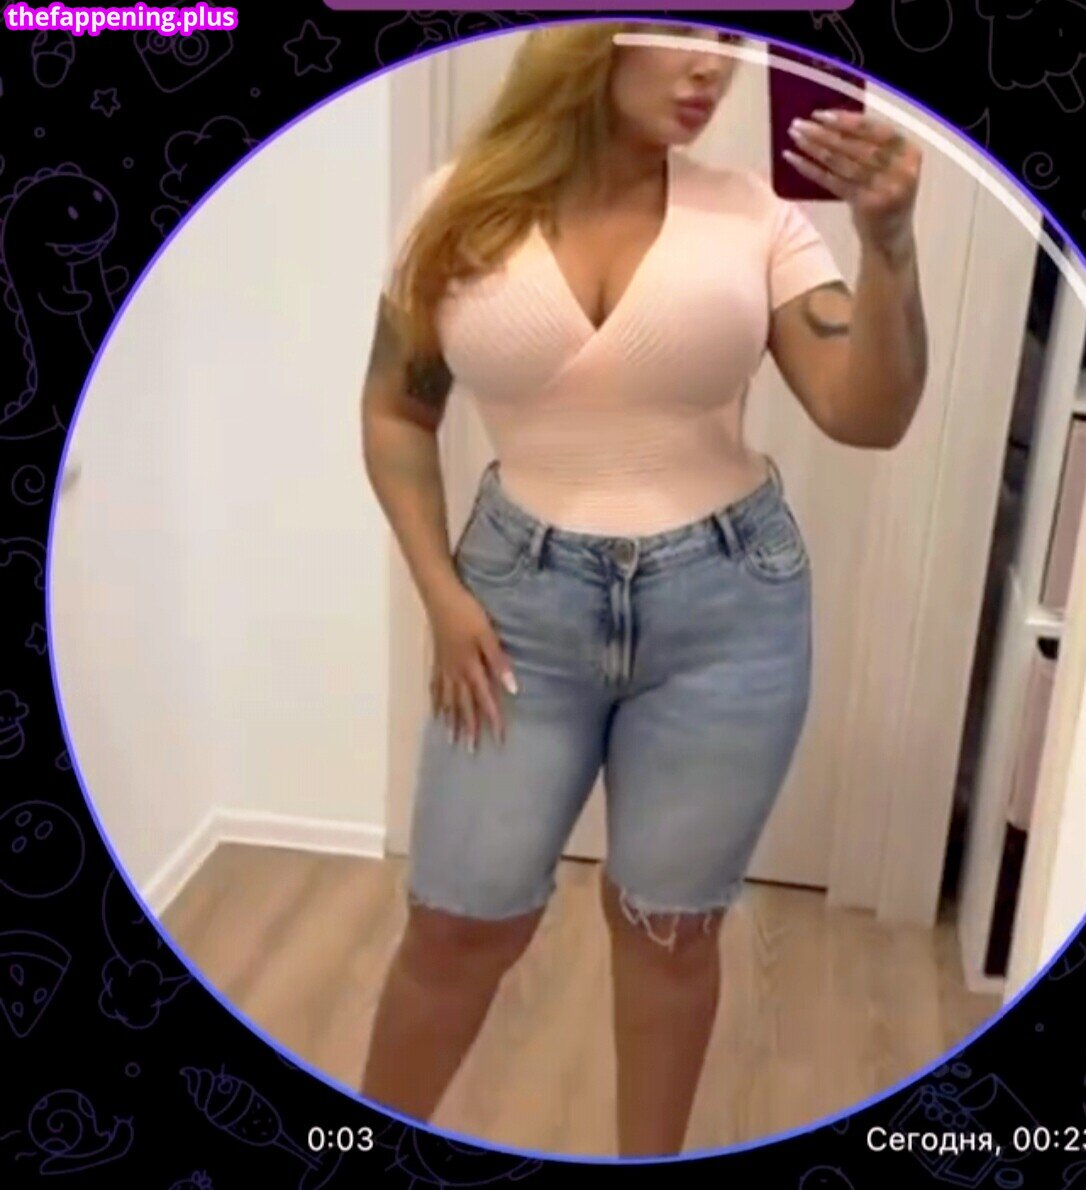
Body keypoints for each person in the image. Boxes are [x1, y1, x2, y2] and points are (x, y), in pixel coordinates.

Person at [359, 22, 927, 1157]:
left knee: (670, 932)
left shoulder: (757, 220)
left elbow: (866, 415)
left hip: (728, 610)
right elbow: (395, 410)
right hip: (514, 610)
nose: (713, 63)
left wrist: (891, 248)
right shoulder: (453, 211)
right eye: (680, 30)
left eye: (728, 35)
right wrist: (442, 594)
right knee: (458, 923)